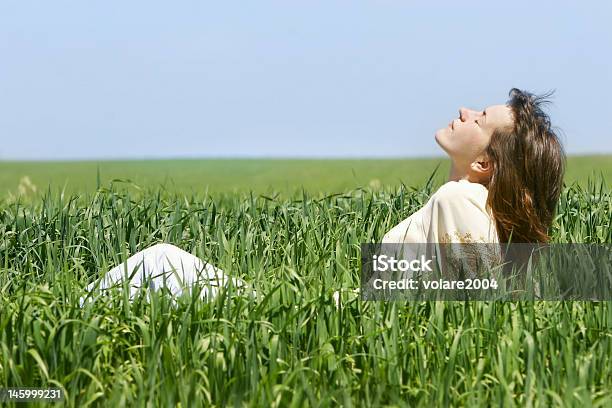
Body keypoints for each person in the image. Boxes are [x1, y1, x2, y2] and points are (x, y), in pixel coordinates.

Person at [383, 88, 565, 245]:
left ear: (483, 163)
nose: (464, 112)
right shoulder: (474, 204)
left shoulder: (458, 199)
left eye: (479, 120)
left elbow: (484, 282)